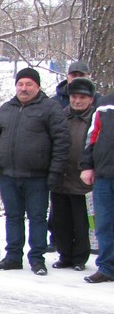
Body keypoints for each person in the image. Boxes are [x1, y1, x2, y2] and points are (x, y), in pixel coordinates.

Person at [0, 67, 70, 275]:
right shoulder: (6, 109)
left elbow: (62, 142)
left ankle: (37, 258)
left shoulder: (50, 108)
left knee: (37, 218)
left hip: (38, 177)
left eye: (28, 84)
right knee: (13, 217)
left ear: (37, 86)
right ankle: (13, 256)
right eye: (20, 84)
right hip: (8, 175)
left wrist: (54, 172)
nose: (24, 88)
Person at [50, 77, 96, 271]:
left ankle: (79, 257)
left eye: (82, 98)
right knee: (60, 221)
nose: (77, 101)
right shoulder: (61, 116)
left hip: (83, 181)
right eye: (74, 97)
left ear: (91, 100)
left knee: (81, 222)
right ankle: (64, 255)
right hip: (61, 177)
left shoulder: (95, 119)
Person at [81, 93, 114, 284]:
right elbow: (91, 138)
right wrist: (87, 165)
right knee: (104, 224)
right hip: (103, 175)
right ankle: (107, 267)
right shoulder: (104, 105)